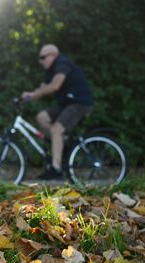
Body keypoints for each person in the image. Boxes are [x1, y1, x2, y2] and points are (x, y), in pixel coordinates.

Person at [21, 44, 94, 180]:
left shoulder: (62, 63)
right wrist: (29, 95)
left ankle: (56, 168)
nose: (40, 61)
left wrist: (32, 96)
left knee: (56, 129)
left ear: (53, 55)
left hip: (79, 103)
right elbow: (43, 88)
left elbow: (55, 86)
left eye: (43, 58)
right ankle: (62, 140)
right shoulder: (51, 71)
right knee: (42, 117)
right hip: (67, 104)